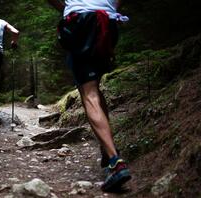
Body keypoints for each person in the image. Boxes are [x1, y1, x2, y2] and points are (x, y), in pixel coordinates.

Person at [47, 0, 131, 191]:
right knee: (95, 87)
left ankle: (115, 162)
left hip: (79, 21)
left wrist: (66, 8)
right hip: (108, 22)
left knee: (89, 93)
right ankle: (107, 148)